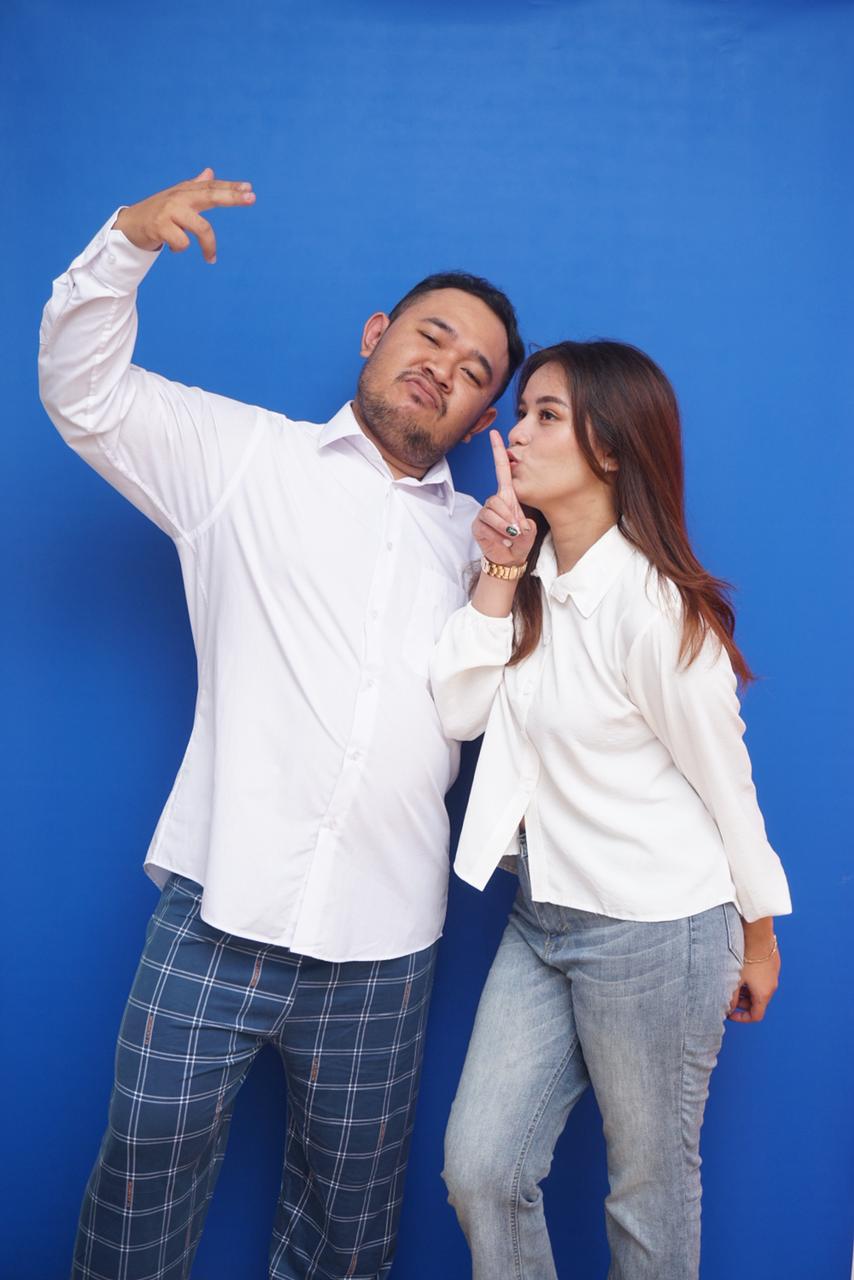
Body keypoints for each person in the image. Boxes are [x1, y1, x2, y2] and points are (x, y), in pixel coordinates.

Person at [38, 168, 523, 1280]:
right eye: (430, 337)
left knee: (346, 1233)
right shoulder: (240, 459)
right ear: (374, 334)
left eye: (472, 374)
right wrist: (125, 243)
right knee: (138, 1193)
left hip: (385, 949)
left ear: (480, 417)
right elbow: (84, 393)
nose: (442, 370)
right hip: (219, 907)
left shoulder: (486, 546)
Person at [429, 340, 793, 1280]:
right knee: (480, 1170)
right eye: (522, 412)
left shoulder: (656, 610)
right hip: (542, 917)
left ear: (613, 448)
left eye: (547, 415)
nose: (516, 433)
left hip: (657, 930)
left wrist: (757, 938)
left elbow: (729, 787)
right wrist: (500, 568)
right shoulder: (531, 577)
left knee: (648, 1192)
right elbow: (457, 710)